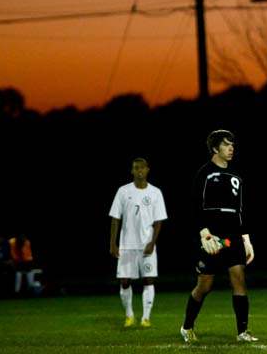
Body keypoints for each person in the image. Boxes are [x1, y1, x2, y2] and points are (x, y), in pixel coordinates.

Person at [181, 130, 258, 343]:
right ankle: (187, 327)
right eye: (226, 145)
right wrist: (204, 233)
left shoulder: (237, 177)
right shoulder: (204, 173)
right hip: (212, 236)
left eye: (232, 145)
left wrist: (246, 239)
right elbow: (195, 206)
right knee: (205, 285)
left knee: (239, 279)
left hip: (233, 237)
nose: (231, 148)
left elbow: (241, 210)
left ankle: (242, 331)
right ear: (215, 148)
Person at [108, 157, 168, 328]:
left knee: (149, 280)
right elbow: (115, 218)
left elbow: (158, 222)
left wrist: (152, 242)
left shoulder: (155, 192)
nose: (139, 171)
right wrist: (113, 243)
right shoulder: (123, 191)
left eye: (142, 168)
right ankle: (129, 315)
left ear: (147, 170)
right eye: (136, 168)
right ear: (132, 171)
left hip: (147, 245)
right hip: (126, 245)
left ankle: (146, 318)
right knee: (125, 281)